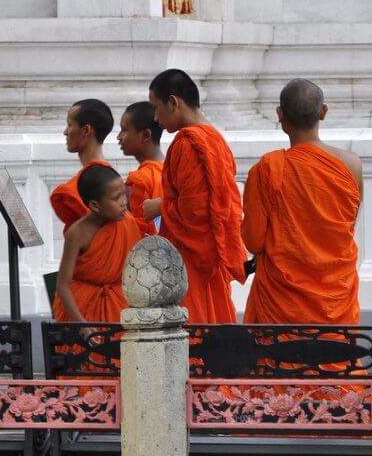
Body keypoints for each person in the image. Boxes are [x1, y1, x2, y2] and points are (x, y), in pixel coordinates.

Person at [241, 78, 372, 456]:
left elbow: (253, 237)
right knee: (344, 383)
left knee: (293, 387)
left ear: (280, 117)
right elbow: (346, 222)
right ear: (324, 112)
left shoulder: (269, 168)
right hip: (334, 295)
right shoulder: (351, 164)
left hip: (285, 300)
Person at [144, 69, 247, 324]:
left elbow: (195, 212)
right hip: (210, 253)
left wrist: (159, 206)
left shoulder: (187, 143)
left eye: (157, 108)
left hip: (190, 260)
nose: (156, 118)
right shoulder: (215, 138)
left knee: (192, 334)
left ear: (174, 102)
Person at [53, 164, 142, 324]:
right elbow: (63, 285)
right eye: (116, 198)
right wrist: (81, 324)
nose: (124, 202)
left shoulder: (127, 222)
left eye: (123, 194)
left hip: (120, 305)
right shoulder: (77, 233)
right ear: (95, 205)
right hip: (83, 308)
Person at [50, 99, 114, 234]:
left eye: (69, 125)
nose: (65, 132)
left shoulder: (75, 190)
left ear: (86, 130)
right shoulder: (112, 177)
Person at [117, 101, 164, 235]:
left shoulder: (139, 180)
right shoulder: (174, 168)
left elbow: (137, 232)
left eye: (124, 130)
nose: (119, 137)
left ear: (145, 135)